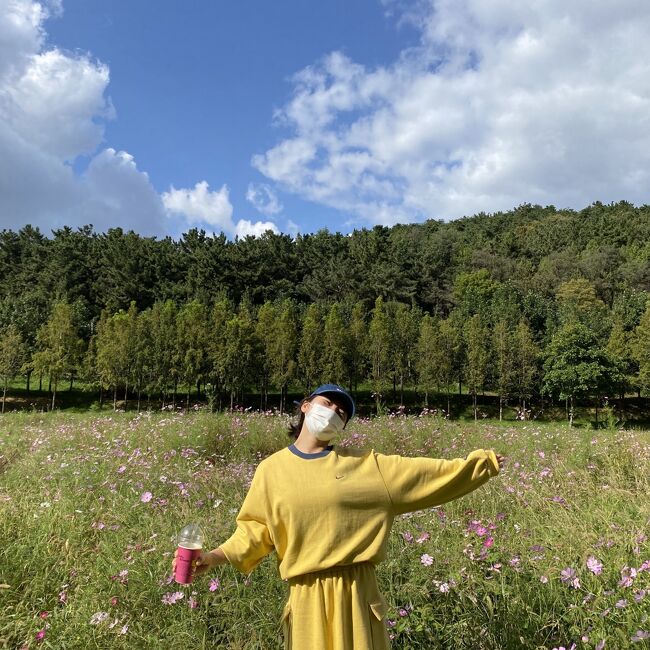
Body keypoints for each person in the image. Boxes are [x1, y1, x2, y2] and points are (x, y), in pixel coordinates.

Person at [173, 383, 504, 649]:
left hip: (357, 596)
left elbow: (427, 474)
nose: (332, 412)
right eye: (327, 403)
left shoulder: (366, 467)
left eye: (341, 412)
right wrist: (213, 557)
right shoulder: (272, 470)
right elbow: (256, 531)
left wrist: (482, 464)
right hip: (306, 599)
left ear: (343, 426)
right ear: (306, 406)